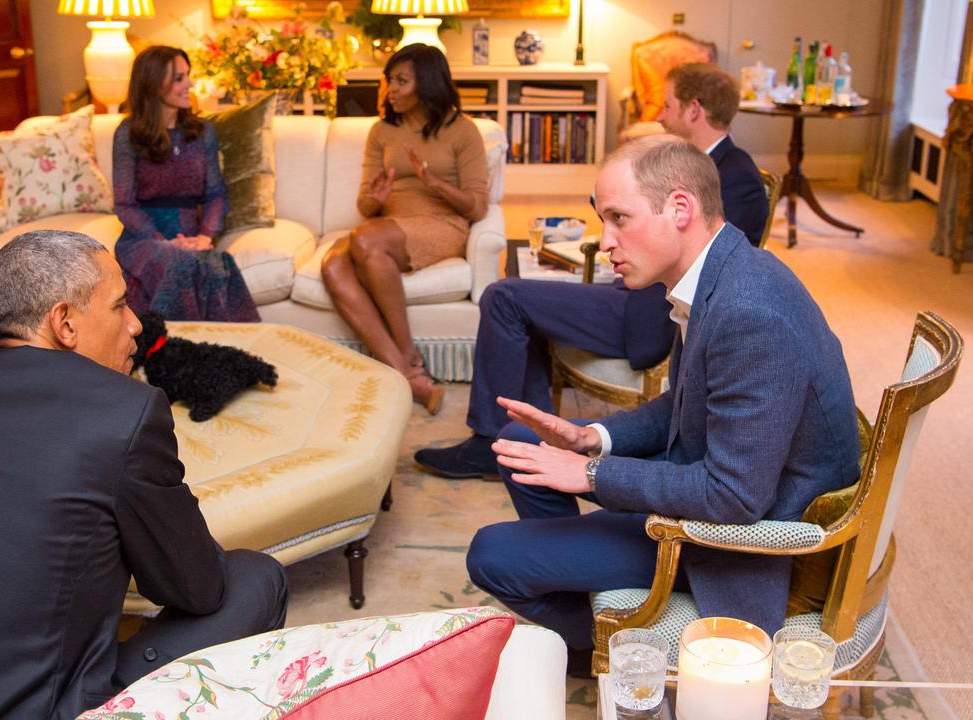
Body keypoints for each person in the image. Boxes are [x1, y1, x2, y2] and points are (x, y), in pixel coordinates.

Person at [464, 135, 860, 670]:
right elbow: (685, 404)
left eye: (619, 218)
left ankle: (608, 646)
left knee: (492, 555)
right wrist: (591, 439)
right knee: (516, 442)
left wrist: (592, 475)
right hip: (708, 475)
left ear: (680, 208)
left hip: (736, 540)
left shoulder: (748, 312)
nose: (606, 242)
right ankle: (593, 591)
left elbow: (733, 497)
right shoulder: (718, 273)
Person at [0, 230, 288, 719]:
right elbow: (195, 588)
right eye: (119, 306)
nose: (135, 325)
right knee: (256, 578)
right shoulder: (123, 412)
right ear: (64, 323)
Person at [414, 61, 768, 479]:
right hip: (633, 292)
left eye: (668, 105)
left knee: (504, 295)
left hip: (651, 310)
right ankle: (527, 439)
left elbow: (710, 272)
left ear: (694, 110)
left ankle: (491, 444)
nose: (660, 115)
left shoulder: (737, 177)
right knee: (522, 287)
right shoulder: (687, 162)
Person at [321, 43, 490, 414]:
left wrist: (436, 184)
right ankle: (406, 374)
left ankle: (409, 356)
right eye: (388, 81)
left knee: (365, 239)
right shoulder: (383, 131)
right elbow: (364, 205)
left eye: (401, 81)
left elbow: (477, 206)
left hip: (441, 224)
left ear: (427, 83)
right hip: (386, 227)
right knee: (332, 265)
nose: (390, 90)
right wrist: (376, 198)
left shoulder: (463, 132)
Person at [113, 45, 259, 322]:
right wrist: (162, 241)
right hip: (144, 238)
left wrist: (205, 236)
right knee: (177, 263)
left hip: (191, 236)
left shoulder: (202, 131)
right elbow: (124, 203)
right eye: (179, 78)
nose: (189, 84)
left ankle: (226, 349)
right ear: (155, 84)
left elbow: (216, 194)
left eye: (187, 75)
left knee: (216, 266)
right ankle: (174, 348)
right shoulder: (128, 134)